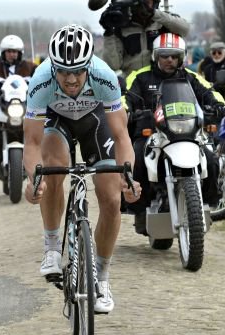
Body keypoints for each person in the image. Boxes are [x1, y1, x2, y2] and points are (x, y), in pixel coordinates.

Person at [23, 24, 141, 313]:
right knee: (51, 169)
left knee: (112, 199)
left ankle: (101, 278)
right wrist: (33, 180)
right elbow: (32, 141)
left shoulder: (104, 76)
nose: (72, 79)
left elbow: (121, 136)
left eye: (78, 71)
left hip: (94, 121)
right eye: (63, 72)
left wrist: (128, 175)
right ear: (53, 68)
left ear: (89, 66)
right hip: (56, 121)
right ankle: (52, 246)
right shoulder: (40, 81)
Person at [124, 32, 225, 235]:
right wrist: (127, 109)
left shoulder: (190, 76)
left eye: (174, 55)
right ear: (156, 56)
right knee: (135, 159)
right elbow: (125, 96)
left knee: (211, 159)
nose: (169, 59)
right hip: (151, 133)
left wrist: (218, 105)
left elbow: (209, 91)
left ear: (181, 57)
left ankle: (205, 203)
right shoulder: (140, 76)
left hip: (185, 132)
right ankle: (139, 208)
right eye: (164, 55)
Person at [0, 34, 37, 169]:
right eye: (9, 51)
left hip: (25, 105)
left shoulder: (31, 67)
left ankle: (42, 157)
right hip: (2, 105)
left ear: (20, 53)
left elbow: (42, 80)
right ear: (3, 53)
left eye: (14, 51)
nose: (11, 54)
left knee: (44, 123)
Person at [96, 0, 190, 76]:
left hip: (162, 83)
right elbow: (113, 66)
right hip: (133, 85)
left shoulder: (162, 21)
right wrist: (109, 33)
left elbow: (185, 29)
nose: (143, 6)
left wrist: (154, 13)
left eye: (147, 2)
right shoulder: (121, 28)